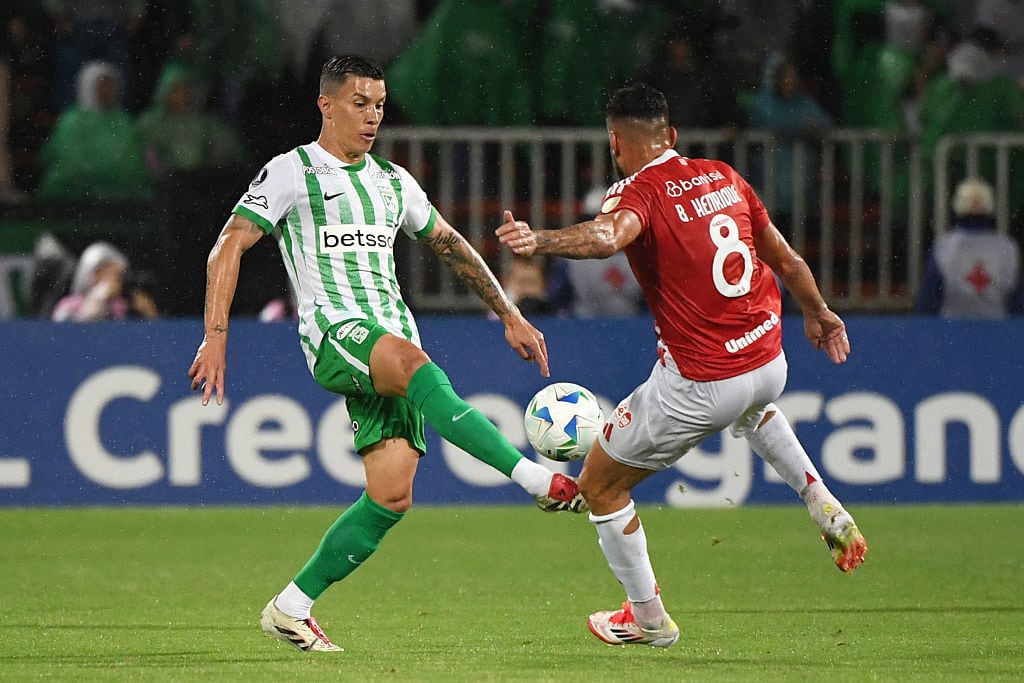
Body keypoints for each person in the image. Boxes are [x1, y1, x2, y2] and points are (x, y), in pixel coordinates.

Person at [186, 54, 586, 654]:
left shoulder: (393, 181)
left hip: (393, 336)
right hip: (335, 334)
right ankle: (531, 477)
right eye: (359, 103)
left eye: (378, 105)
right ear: (326, 104)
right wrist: (216, 337)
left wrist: (510, 312)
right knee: (415, 367)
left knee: (392, 495)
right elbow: (229, 247)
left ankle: (290, 607)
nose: (372, 116)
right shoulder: (292, 171)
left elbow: (450, 246)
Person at [497, 82, 868, 649]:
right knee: (755, 407)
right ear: (671, 135)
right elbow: (786, 258)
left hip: (701, 381)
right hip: (770, 357)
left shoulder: (637, 192)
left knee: (598, 486)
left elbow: (605, 238)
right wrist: (818, 313)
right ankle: (822, 500)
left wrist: (539, 240)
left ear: (616, 144)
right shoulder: (724, 175)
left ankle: (647, 621)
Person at [37, 60, 151, 201]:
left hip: (120, 194)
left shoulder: (123, 120)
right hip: (73, 194)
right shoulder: (73, 120)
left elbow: (132, 159)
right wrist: (101, 178)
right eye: (102, 85)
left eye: (110, 85)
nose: (107, 90)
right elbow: (70, 160)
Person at [915, 177, 1024, 318]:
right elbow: (1017, 303)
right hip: (996, 333)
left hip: (949, 334)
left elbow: (928, 302)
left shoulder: (944, 246)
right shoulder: (1007, 248)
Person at [51, 241, 159, 321]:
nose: (116, 279)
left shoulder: (123, 306)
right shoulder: (69, 305)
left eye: (118, 274)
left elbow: (151, 335)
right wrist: (98, 297)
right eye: (108, 273)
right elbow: (67, 334)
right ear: (91, 274)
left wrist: (146, 310)